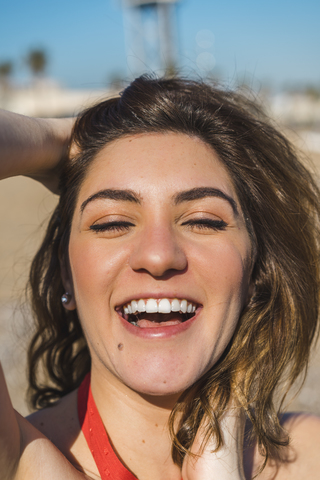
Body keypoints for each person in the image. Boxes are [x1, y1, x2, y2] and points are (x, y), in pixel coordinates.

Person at [1, 75, 320, 480]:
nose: (157, 255)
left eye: (203, 221)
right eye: (112, 222)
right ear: (66, 273)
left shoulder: (309, 457)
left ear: (258, 269)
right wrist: (59, 139)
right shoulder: (18, 460)